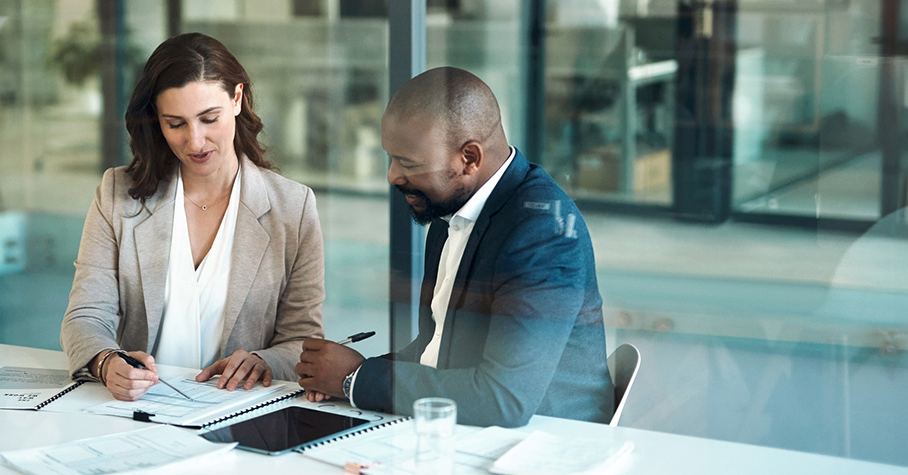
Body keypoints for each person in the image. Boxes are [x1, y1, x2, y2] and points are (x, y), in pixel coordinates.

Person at [296, 67, 612, 427]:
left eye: (408, 163)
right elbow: (437, 347)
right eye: (391, 157)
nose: (392, 176)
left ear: (469, 159)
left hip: (543, 443)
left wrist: (358, 380)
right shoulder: (452, 210)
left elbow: (502, 399)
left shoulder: (541, 234)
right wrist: (348, 375)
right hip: (471, 431)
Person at [61, 33, 325, 401]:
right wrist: (106, 362)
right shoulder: (117, 194)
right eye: (176, 123)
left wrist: (265, 361)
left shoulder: (293, 207)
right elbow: (85, 316)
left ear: (236, 99)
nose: (195, 141)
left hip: (240, 412)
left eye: (208, 118)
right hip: (139, 410)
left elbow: (303, 340)